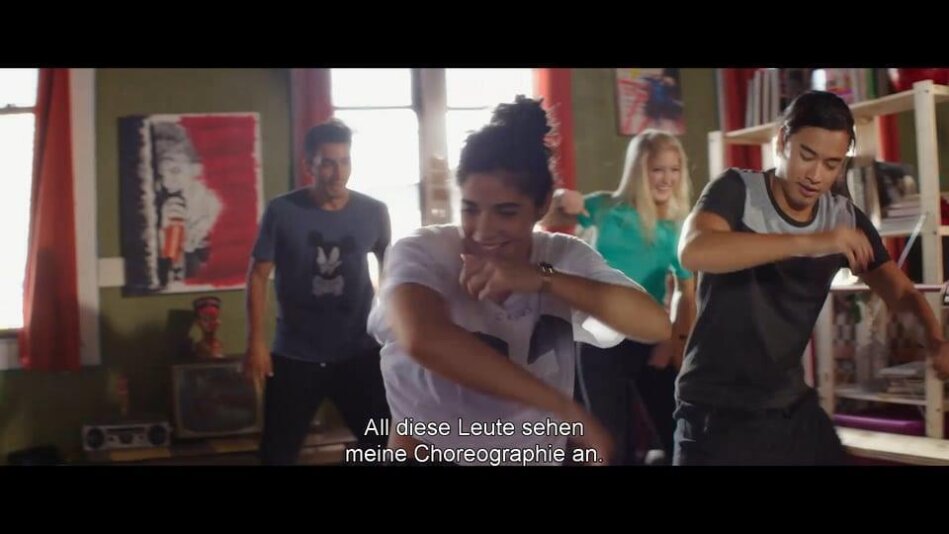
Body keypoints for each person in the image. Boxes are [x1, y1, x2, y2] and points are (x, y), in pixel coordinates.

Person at [367, 96, 672, 466]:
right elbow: (424, 338)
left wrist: (542, 278)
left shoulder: (561, 255)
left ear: (541, 205)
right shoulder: (421, 250)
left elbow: (654, 324)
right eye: (470, 209)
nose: (483, 230)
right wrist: (565, 410)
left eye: (506, 212)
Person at [674, 90, 949, 465]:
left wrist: (934, 340)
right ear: (782, 142)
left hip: (789, 406)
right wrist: (811, 241)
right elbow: (695, 250)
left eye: (832, 164)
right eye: (807, 156)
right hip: (715, 409)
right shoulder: (736, 190)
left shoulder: (843, 217)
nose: (816, 176)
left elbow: (899, 292)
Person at [243, 118, 392, 465]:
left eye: (344, 162)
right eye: (327, 163)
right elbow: (258, 275)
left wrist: (392, 333)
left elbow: (392, 273)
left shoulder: (374, 212)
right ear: (309, 164)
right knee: (277, 456)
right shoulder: (282, 212)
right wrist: (256, 343)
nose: (338, 173)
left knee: (385, 446)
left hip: (359, 351)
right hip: (295, 354)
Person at [543, 129, 695, 464]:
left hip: (648, 337)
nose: (667, 178)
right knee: (610, 439)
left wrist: (672, 342)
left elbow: (687, 293)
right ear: (639, 171)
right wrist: (561, 197)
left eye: (674, 169)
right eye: (658, 169)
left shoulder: (675, 227)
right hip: (596, 337)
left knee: (679, 432)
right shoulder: (604, 207)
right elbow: (546, 217)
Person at [151, 121, 221, 286]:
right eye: (160, 176)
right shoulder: (158, 200)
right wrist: (163, 230)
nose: (167, 182)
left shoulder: (209, 204)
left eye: (175, 170)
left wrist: (191, 236)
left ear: (196, 169)